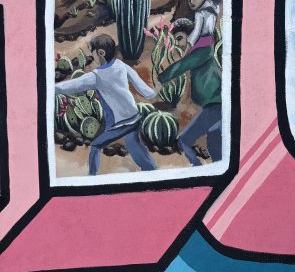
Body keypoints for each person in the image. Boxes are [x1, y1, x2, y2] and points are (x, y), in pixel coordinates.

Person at [54, 33, 156, 175]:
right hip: (134, 116)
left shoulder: (96, 76)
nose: (92, 56)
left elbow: (74, 85)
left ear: (100, 53)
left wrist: (53, 88)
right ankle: (151, 170)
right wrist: (152, 93)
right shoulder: (121, 65)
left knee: (96, 146)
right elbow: (140, 84)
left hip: (120, 123)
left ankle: (92, 178)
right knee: (133, 144)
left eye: (93, 52)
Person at [158, 13, 223, 165]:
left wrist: (161, 79)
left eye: (180, 38)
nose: (178, 44)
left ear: (192, 35)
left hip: (216, 105)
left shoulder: (204, 50)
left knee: (184, 141)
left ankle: (199, 171)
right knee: (214, 144)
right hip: (213, 105)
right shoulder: (200, 50)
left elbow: (182, 66)